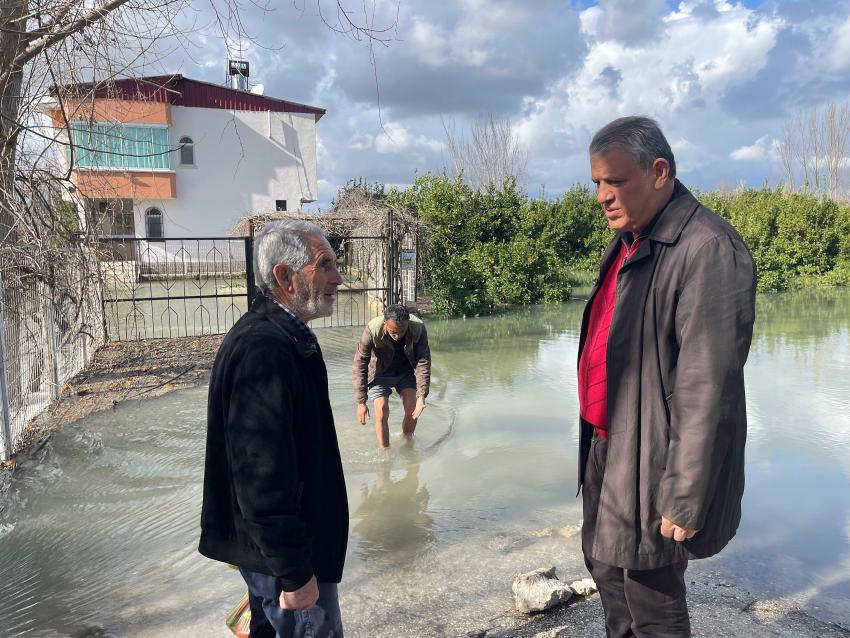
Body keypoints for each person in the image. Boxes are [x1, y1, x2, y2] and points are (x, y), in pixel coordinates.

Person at [576, 116, 756, 637]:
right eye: (597, 184)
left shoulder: (706, 248)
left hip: (652, 453)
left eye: (615, 181)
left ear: (660, 172)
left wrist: (685, 493)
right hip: (608, 444)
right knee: (607, 572)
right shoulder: (632, 239)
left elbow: (708, 385)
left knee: (650, 597)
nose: (602, 196)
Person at [199, 219, 349, 638]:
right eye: (325, 266)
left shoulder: (284, 338)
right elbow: (260, 475)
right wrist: (295, 574)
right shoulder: (264, 350)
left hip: (280, 557)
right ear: (284, 277)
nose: (338, 278)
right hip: (290, 564)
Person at [352, 304, 431, 449]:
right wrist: (361, 402)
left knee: (412, 408)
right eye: (393, 332)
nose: (398, 336)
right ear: (385, 323)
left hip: (405, 371)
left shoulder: (418, 328)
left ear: (408, 324)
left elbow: (423, 361)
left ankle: (407, 443)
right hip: (379, 373)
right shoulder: (372, 330)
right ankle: (384, 451)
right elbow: (360, 363)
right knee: (381, 411)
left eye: (402, 332)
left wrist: (422, 396)